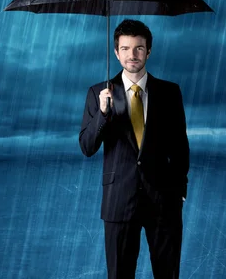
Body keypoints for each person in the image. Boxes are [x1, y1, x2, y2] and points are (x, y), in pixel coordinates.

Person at [79, 19, 189, 279]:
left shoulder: (169, 92)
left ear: (148, 51)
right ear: (116, 53)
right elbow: (86, 146)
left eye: (139, 48)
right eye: (126, 49)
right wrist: (103, 114)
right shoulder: (98, 93)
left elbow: (180, 147)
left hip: (164, 201)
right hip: (119, 200)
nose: (132, 55)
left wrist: (179, 191)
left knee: (168, 274)